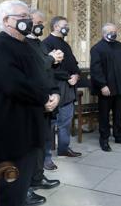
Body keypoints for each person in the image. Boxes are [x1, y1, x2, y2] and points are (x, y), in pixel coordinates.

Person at [0, 0, 61, 206]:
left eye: (28, 17)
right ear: (6, 21)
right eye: (23, 17)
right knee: (9, 186)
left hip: (28, 127)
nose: (29, 21)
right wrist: (44, 99)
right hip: (8, 130)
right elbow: (14, 84)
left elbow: (42, 74)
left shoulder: (26, 45)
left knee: (22, 181)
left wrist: (53, 93)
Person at [27, 10, 63, 201]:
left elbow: (46, 70)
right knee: (30, 146)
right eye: (38, 22)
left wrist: (55, 94)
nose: (41, 25)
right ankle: (26, 185)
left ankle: (37, 177)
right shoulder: (23, 44)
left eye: (42, 22)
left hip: (46, 98)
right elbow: (33, 69)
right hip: (33, 102)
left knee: (42, 143)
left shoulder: (39, 43)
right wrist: (50, 59)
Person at [43, 16, 82, 158]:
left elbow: (73, 64)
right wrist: (68, 77)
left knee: (66, 120)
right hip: (56, 87)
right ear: (56, 27)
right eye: (65, 25)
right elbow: (49, 68)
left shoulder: (65, 44)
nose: (68, 27)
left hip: (69, 87)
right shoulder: (46, 43)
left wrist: (76, 75)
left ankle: (64, 148)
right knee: (51, 122)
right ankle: (46, 156)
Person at [90, 23, 121, 151]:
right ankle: (104, 139)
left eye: (115, 31)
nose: (114, 33)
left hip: (119, 85)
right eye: (111, 31)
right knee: (104, 115)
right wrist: (103, 85)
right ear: (104, 33)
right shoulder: (97, 48)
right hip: (106, 88)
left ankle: (119, 136)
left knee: (118, 113)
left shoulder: (119, 45)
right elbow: (96, 70)